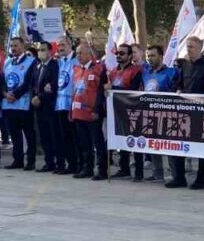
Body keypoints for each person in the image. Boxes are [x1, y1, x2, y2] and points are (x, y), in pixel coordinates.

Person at [166, 35, 204, 189]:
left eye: (191, 47)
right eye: (187, 47)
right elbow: (178, 84)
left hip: (201, 112)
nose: (188, 49)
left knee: (202, 148)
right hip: (183, 112)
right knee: (177, 144)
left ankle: (200, 179)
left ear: (200, 48)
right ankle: (179, 178)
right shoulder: (184, 65)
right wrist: (178, 90)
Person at [140, 44, 178, 182]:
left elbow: (176, 91)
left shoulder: (172, 72)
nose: (150, 58)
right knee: (153, 144)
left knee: (170, 146)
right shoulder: (145, 73)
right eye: (148, 56)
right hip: (150, 114)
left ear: (161, 57)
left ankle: (175, 175)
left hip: (167, 114)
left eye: (153, 55)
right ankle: (157, 173)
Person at [70, 40, 108, 180]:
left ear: (89, 54)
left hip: (93, 114)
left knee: (97, 143)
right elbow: (75, 91)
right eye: (77, 53)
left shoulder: (99, 69)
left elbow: (100, 92)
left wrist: (97, 110)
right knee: (84, 143)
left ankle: (102, 170)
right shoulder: (76, 69)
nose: (78, 55)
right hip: (78, 113)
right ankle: (87, 168)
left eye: (81, 53)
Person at [108, 43, 144, 180]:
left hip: (133, 110)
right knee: (121, 140)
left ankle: (139, 172)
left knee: (135, 141)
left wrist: (114, 88)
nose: (118, 55)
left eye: (122, 53)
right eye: (117, 53)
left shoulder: (136, 70)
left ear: (129, 56)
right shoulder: (112, 72)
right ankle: (124, 169)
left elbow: (133, 90)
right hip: (117, 110)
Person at [2, 37, 37, 171]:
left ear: (23, 46)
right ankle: (17, 159)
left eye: (16, 45)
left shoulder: (31, 61)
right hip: (9, 105)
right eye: (12, 46)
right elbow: (3, 81)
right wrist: (6, 94)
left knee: (29, 134)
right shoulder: (7, 62)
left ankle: (31, 161)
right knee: (14, 134)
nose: (14, 48)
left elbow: (28, 82)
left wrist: (15, 95)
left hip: (23, 104)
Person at [32, 43, 60, 173]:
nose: (40, 52)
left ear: (50, 51)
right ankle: (49, 162)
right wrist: (34, 97)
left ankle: (59, 162)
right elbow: (34, 84)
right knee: (44, 136)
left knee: (54, 136)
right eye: (39, 50)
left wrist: (41, 97)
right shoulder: (38, 66)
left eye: (43, 50)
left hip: (50, 106)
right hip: (39, 107)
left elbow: (54, 85)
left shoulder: (55, 66)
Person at [53, 38, 79, 175]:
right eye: (58, 45)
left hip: (73, 105)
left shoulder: (76, 60)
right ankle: (70, 164)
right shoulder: (59, 62)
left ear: (70, 45)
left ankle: (78, 164)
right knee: (64, 137)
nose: (60, 47)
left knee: (75, 137)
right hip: (60, 105)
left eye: (63, 45)